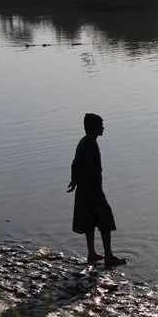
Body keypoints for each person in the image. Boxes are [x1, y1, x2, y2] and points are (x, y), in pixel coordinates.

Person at [67, 113, 125, 266]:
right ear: (93, 128)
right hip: (92, 190)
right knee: (105, 220)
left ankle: (92, 253)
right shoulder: (90, 144)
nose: (103, 127)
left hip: (85, 190)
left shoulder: (85, 142)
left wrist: (74, 181)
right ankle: (108, 256)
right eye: (101, 125)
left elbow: (74, 164)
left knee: (89, 221)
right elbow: (82, 166)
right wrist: (85, 185)